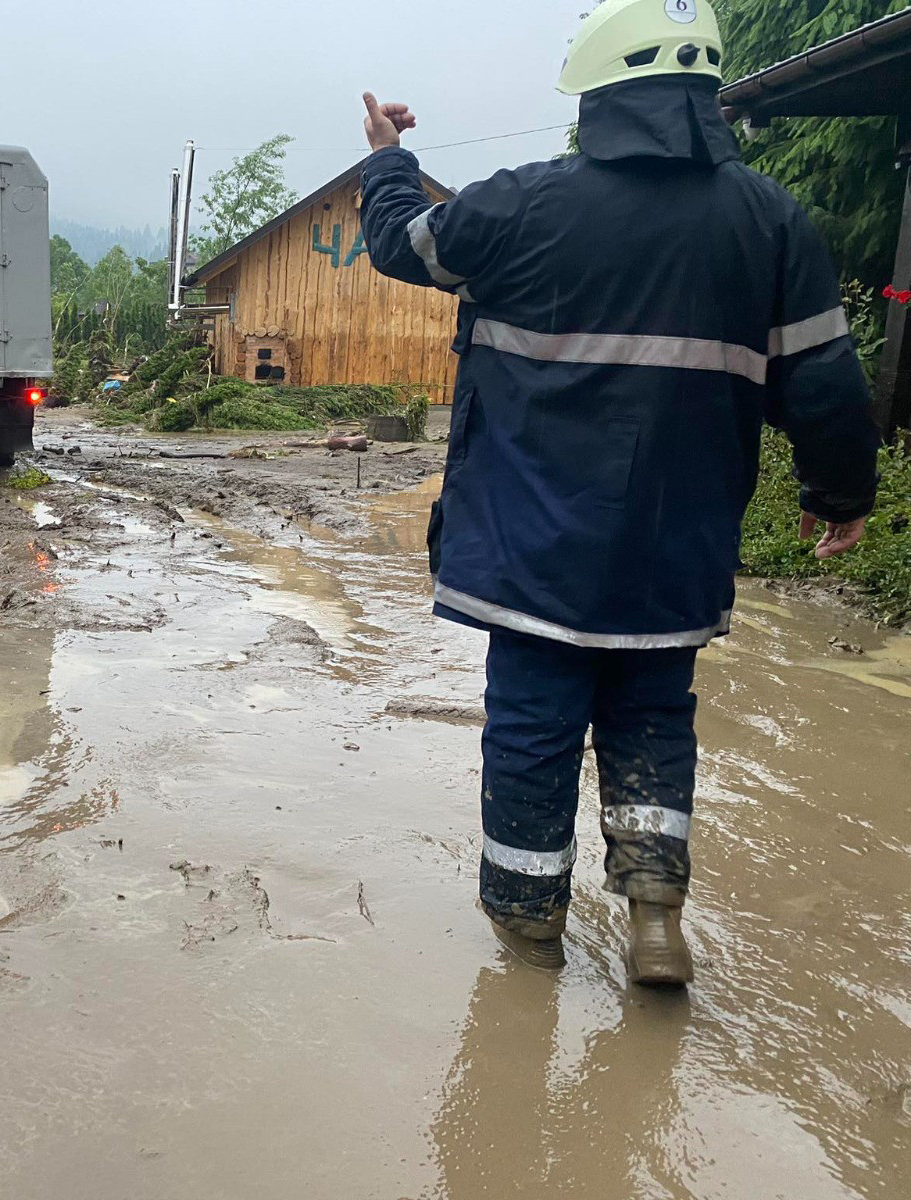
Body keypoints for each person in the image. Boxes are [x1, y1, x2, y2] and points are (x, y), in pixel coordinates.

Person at [358, 0, 880, 985]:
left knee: (532, 724)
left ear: (595, 88)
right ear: (706, 88)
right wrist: (840, 493)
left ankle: (528, 928)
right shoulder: (769, 219)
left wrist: (388, 156)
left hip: (532, 547)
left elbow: (399, 245)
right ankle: (655, 913)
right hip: (674, 548)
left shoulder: (520, 205)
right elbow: (824, 380)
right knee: (653, 714)